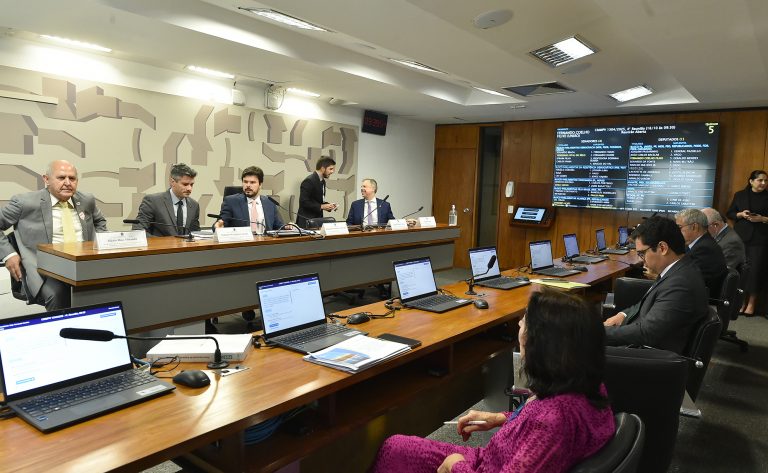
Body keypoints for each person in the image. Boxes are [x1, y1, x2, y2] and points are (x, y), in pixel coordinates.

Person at [370, 290, 614, 473]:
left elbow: (540, 431)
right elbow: (534, 430)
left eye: (526, 321)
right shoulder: (585, 385)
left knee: (395, 451)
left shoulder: (552, 422)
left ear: (543, 345)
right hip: (494, 457)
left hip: (485, 466)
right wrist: (500, 418)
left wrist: (455, 465)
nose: (519, 324)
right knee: (396, 447)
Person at [0, 160, 107, 310]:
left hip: (83, 266)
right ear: (46, 179)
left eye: (72, 178)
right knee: (58, 294)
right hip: (46, 270)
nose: (68, 183)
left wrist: (100, 244)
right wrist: (9, 254)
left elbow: (100, 222)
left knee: (113, 286)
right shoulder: (25, 202)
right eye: (61, 178)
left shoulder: (86, 200)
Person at [604, 216, 709, 354]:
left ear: (662, 248)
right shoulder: (678, 269)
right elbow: (645, 303)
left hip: (649, 357)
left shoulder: (680, 284)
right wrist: (623, 315)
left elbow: (647, 333)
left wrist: (599, 333)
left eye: (642, 253)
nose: (642, 260)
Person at [726, 170, 768, 316]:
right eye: (760, 180)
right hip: (741, 237)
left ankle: (751, 304)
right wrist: (740, 214)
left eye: (765, 181)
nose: (763, 183)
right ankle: (740, 302)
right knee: (740, 269)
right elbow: (730, 213)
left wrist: (762, 219)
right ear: (751, 181)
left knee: (755, 271)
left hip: (760, 239)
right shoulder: (740, 195)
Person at [132, 163, 201, 237]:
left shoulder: (194, 205)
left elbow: (195, 233)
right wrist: (164, 242)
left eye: (191, 184)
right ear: (172, 182)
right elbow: (138, 230)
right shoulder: (153, 201)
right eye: (185, 184)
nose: (189, 188)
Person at [675, 208, 727, 297]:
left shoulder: (705, 249)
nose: (677, 232)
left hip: (700, 299)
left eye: (679, 227)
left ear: (694, 227)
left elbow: (686, 278)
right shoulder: (699, 244)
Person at [215, 166, 284, 234]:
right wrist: (218, 226)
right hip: (242, 240)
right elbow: (220, 223)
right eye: (245, 182)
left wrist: (287, 227)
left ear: (260, 185)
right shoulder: (231, 202)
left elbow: (279, 226)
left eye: (252, 182)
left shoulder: (269, 203)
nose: (248, 185)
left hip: (266, 241)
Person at [701, 207, 746, 272]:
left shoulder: (732, 243)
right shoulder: (715, 235)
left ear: (715, 225)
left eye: (704, 227)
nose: (701, 231)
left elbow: (720, 271)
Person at [297, 156, 337, 228]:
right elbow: (304, 201)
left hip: (317, 221)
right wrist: (321, 206)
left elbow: (317, 201)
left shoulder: (323, 181)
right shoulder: (309, 181)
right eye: (330, 169)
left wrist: (328, 205)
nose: (332, 172)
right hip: (306, 222)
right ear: (322, 168)